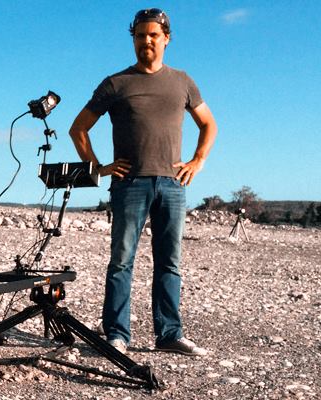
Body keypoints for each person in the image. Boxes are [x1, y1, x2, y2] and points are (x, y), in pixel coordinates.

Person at [68, 8, 217, 356]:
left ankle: (169, 334)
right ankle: (117, 335)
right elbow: (79, 127)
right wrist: (98, 167)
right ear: (133, 38)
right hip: (129, 184)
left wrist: (198, 161)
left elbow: (208, 124)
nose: (146, 41)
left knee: (170, 262)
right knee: (121, 261)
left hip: (172, 185)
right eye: (139, 35)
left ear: (166, 38)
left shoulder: (182, 82)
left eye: (153, 35)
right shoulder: (116, 84)